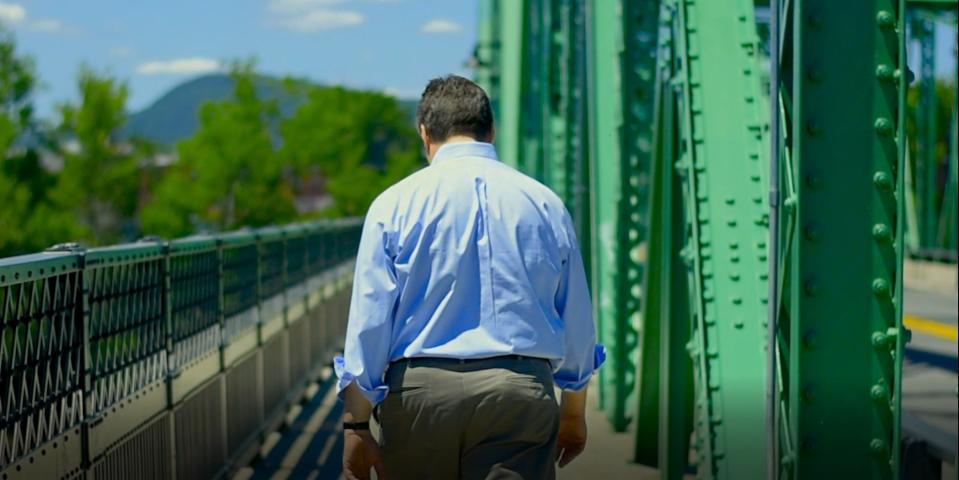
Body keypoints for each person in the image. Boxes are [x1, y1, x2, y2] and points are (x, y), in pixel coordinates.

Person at [335, 75, 604, 480]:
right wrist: (573, 411)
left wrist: (356, 425)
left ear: (424, 132)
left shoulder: (393, 205)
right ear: (490, 130)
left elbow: (370, 324)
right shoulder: (544, 202)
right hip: (518, 391)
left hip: (419, 397)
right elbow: (576, 317)